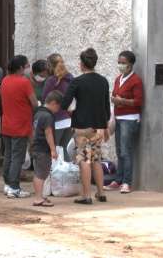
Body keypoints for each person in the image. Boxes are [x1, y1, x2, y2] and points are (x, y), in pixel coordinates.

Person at [61, 48, 111, 205]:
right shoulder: (103, 81)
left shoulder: (77, 81)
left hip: (81, 127)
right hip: (97, 127)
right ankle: (101, 193)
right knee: (96, 159)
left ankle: (86, 195)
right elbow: (106, 107)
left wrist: (72, 110)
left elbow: (64, 103)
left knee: (83, 159)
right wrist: (104, 124)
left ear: (82, 64)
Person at [105, 51, 143, 194]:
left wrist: (123, 101)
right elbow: (114, 95)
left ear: (130, 64)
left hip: (130, 119)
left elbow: (138, 102)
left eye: (123, 62)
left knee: (126, 151)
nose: (120, 65)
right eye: (119, 62)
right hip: (119, 118)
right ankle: (118, 179)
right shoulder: (118, 79)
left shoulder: (136, 81)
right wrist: (114, 100)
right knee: (119, 150)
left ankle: (127, 182)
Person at [0, 55, 37, 198]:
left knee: (8, 156)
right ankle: (14, 187)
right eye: (27, 66)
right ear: (21, 67)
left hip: (7, 125)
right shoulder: (24, 82)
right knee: (17, 157)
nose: (28, 68)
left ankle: (8, 184)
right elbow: (34, 103)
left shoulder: (5, 80)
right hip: (20, 125)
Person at [31, 91, 62, 207]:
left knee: (39, 172)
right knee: (41, 173)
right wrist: (53, 149)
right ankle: (38, 198)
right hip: (43, 148)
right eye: (58, 107)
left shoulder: (38, 113)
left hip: (36, 147)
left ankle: (40, 195)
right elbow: (48, 132)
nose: (58, 110)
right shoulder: (48, 116)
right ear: (54, 103)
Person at [42, 54, 75, 161]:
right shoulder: (70, 78)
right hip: (69, 120)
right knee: (63, 148)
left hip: (56, 120)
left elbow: (45, 100)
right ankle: (67, 174)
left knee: (54, 149)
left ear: (50, 66)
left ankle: (56, 176)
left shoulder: (51, 81)